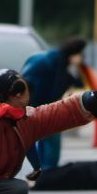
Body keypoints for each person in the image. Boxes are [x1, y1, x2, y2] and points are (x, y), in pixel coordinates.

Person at [21, 37, 87, 170]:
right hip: (37, 103)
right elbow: (56, 88)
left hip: (31, 103)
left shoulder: (55, 59)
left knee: (40, 138)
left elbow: (78, 83)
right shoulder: (56, 63)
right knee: (50, 137)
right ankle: (48, 170)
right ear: (74, 53)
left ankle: (43, 170)